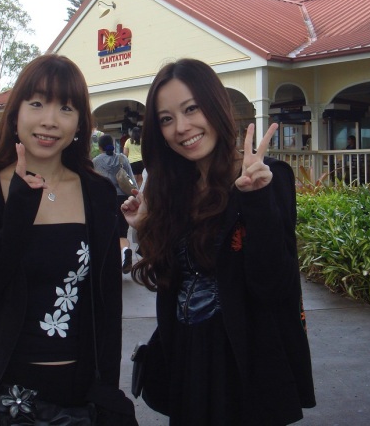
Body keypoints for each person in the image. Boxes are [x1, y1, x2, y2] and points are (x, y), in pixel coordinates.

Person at [121, 58, 316, 425]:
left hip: (243, 363)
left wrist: (256, 201)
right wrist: (146, 226)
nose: (182, 128)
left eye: (191, 109)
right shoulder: (173, 187)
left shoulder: (267, 176)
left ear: (215, 106)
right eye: (166, 119)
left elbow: (274, 284)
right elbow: (168, 278)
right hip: (187, 358)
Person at [0, 54, 136, 426]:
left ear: (80, 123)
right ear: (15, 114)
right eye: (36, 103)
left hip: (80, 394)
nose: (49, 120)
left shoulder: (97, 193)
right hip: (7, 397)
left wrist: (107, 389)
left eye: (65, 108)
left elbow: (107, 304)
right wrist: (18, 214)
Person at [93, 134, 137, 274]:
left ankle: (111, 263)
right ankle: (125, 251)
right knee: (122, 233)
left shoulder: (96, 161)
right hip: (123, 200)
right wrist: (135, 196)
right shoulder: (122, 158)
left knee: (106, 232)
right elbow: (131, 180)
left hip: (104, 200)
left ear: (100, 147)